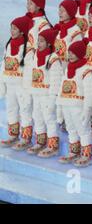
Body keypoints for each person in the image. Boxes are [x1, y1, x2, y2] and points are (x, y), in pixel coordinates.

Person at [56, 39, 92, 164]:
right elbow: (62, 87)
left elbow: (89, 94)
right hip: (67, 105)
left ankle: (86, 155)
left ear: (80, 53)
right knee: (71, 129)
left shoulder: (87, 71)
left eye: (73, 53)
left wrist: (87, 110)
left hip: (79, 107)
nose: (70, 55)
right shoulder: (68, 69)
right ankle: (74, 151)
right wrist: (60, 106)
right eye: (69, 52)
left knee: (83, 130)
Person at [26, 29, 62, 156]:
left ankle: (53, 145)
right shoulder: (36, 55)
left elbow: (56, 81)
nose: (38, 44)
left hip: (47, 95)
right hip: (36, 94)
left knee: (49, 119)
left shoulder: (53, 59)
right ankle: (40, 141)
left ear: (49, 44)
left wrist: (53, 98)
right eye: (38, 41)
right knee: (37, 116)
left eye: (42, 41)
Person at [0, 16, 34, 148]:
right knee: (11, 109)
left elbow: (29, 69)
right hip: (10, 84)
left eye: (15, 29)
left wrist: (27, 87)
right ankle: (13, 135)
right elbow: (4, 64)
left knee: (25, 110)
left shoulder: (28, 48)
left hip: (21, 85)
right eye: (11, 28)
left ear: (22, 31)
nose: (12, 31)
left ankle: (26, 138)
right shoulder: (8, 44)